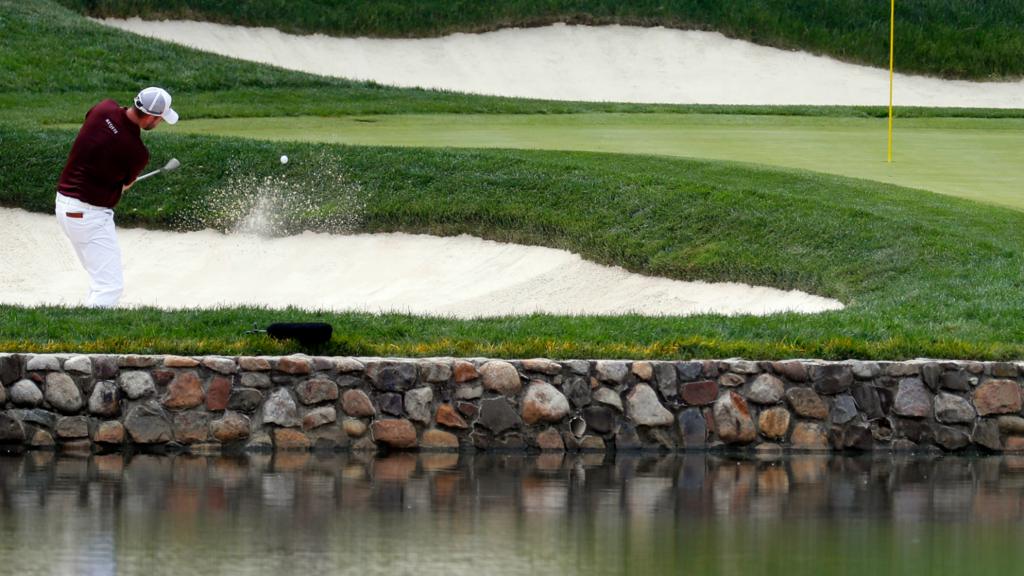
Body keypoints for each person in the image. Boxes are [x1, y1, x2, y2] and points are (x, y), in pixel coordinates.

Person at [55, 87, 179, 307]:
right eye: (160, 119)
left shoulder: (103, 108)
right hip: (89, 216)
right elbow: (126, 184)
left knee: (100, 280)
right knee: (109, 287)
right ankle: (87, 337)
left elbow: (96, 136)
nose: (158, 123)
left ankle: (83, 323)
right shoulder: (137, 152)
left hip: (64, 206)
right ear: (151, 117)